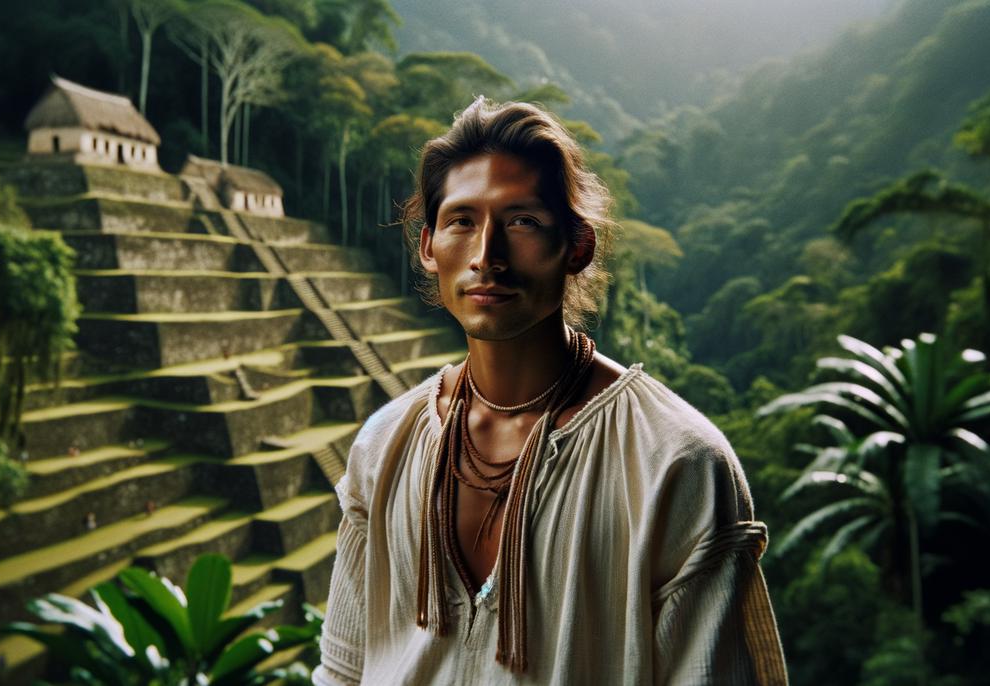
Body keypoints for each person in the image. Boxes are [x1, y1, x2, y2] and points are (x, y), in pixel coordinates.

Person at [313, 98, 787, 685]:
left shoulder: (675, 465)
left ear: (577, 246)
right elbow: (343, 670)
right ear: (428, 247)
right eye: (462, 221)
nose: (487, 257)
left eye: (523, 221)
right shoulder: (384, 447)